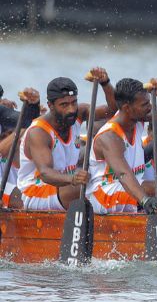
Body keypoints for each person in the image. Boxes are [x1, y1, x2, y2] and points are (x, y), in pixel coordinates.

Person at [16, 71, 117, 212]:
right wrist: (73, 179)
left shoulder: (79, 113)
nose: (71, 109)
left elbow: (112, 111)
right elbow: (45, 173)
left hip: (64, 187)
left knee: (108, 180)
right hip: (36, 192)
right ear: (50, 105)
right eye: (64, 105)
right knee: (90, 186)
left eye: (73, 102)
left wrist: (105, 83)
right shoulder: (39, 132)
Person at [87, 78, 157, 214]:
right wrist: (145, 200)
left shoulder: (137, 118)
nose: (150, 107)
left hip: (130, 186)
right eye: (145, 104)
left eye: (149, 102)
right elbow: (123, 174)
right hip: (105, 194)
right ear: (127, 108)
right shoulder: (110, 137)